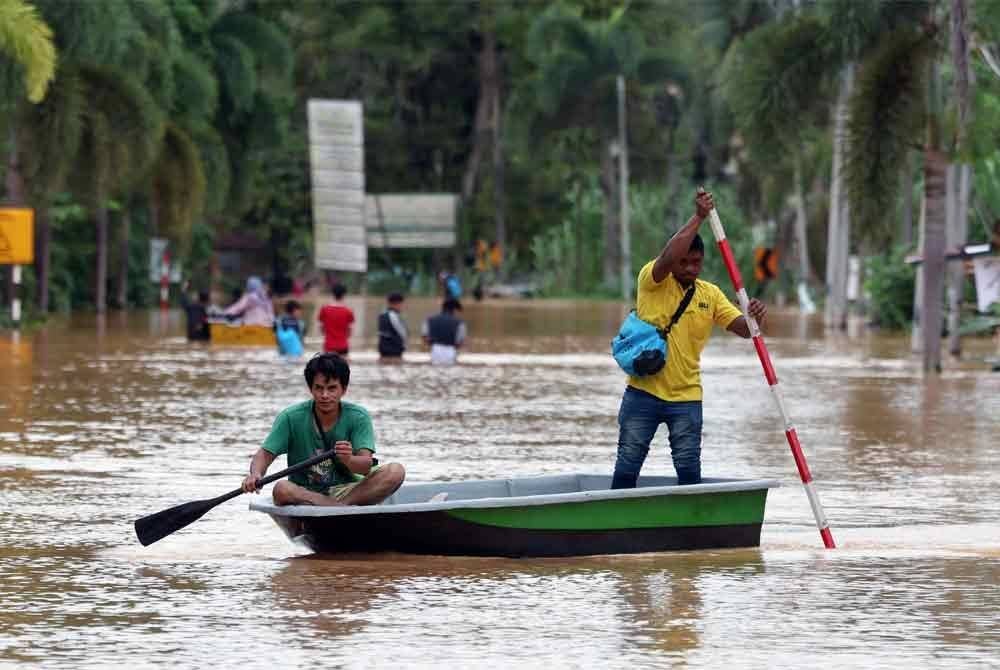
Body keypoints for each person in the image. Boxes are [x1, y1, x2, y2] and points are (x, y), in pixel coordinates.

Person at [611, 188, 768, 488]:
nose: (691, 268)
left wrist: (755, 316)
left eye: (697, 262)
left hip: (686, 398)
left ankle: (691, 527)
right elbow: (668, 256)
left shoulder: (710, 294)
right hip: (642, 393)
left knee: (689, 469)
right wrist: (699, 217)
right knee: (628, 462)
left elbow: (744, 330)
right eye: (685, 262)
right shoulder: (653, 280)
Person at [241, 353, 406, 505]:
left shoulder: (358, 416)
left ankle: (341, 507)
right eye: (319, 388)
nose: (324, 395)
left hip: (349, 491)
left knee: (395, 471)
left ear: (344, 389)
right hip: (305, 493)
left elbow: (365, 467)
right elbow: (265, 454)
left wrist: (348, 460)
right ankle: (333, 506)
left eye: (332, 388)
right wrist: (255, 474)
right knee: (281, 489)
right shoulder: (291, 417)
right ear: (311, 389)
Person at [422, 298, 467, 365]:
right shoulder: (460, 323)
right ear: (454, 309)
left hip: (435, 350)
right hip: (451, 350)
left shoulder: (429, 320)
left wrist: (431, 345)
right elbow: (460, 341)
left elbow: (424, 336)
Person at [316, 283, 354, 356]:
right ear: (344, 295)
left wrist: (328, 335)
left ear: (332, 294)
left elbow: (321, 328)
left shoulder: (324, 310)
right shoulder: (348, 311)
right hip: (343, 345)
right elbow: (350, 330)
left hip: (328, 345)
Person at [377, 292, 408, 362]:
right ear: (397, 303)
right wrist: (404, 345)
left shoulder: (382, 315)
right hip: (394, 352)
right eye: (401, 304)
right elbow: (402, 333)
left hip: (383, 351)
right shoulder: (393, 316)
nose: (402, 306)